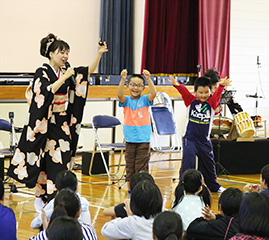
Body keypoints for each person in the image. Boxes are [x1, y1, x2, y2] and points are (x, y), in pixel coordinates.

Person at [7, 33, 108, 206]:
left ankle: (61, 198)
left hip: (62, 123)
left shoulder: (66, 71)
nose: (65, 56)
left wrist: (98, 54)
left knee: (63, 161)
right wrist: (65, 77)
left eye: (67, 52)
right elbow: (46, 91)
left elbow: (86, 72)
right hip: (46, 123)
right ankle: (45, 202)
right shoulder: (42, 72)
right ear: (51, 54)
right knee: (47, 164)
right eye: (61, 52)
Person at [169, 75, 231, 192]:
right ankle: (184, 186)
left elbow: (217, 95)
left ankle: (214, 186)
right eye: (200, 92)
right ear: (196, 92)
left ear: (210, 92)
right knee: (189, 161)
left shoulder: (212, 103)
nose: (203, 95)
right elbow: (184, 92)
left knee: (209, 163)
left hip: (204, 141)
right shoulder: (190, 101)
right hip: (190, 139)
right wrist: (176, 85)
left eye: (206, 92)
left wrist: (221, 86)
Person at [117, 69, 157, 191]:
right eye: (133, 85)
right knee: (130, 168)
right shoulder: (127, 100)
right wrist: (122, 80)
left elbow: (154, 93)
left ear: (143, 88)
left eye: (139, 85)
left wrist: (149, 79)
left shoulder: (145, 99)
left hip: (143, 140)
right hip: (130, 140)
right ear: (128, 86)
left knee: (141, 168)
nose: (136, 88)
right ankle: (130, 191)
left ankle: (141, 191)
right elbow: (119, 95)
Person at [29, 188, 98, 240]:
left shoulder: (45, 235)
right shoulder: (88, 230)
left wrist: (45, 232)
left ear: (53, 210)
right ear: (79, 212)